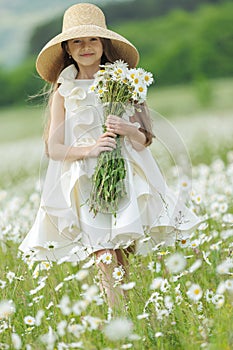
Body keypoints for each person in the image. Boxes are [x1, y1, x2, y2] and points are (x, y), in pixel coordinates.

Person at [19, 3, 202, 307]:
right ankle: (119, 320)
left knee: (120, 253)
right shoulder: (63, 89)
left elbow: (146, 138)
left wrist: (126, 129)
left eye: (92, 39)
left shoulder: (126, 81)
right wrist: (89, 149)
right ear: (67, 48)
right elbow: (53, 148)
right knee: (103, 255)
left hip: (124, 173)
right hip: (84, 180)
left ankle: (129, 318)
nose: (86, 47)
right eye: (77, 41)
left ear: (104, 44)